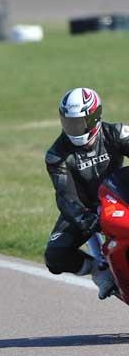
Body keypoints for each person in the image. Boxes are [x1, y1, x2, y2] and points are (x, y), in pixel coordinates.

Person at [44, 87, 129, 299]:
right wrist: (87, 220)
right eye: (69, 123)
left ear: (94, 118)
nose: (73, 129)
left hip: (119, 198)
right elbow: (65, 196)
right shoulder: (56, 155)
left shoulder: (116, 133)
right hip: (84, 209)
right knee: (55, 256)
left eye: (79, 123)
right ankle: (99, 270)